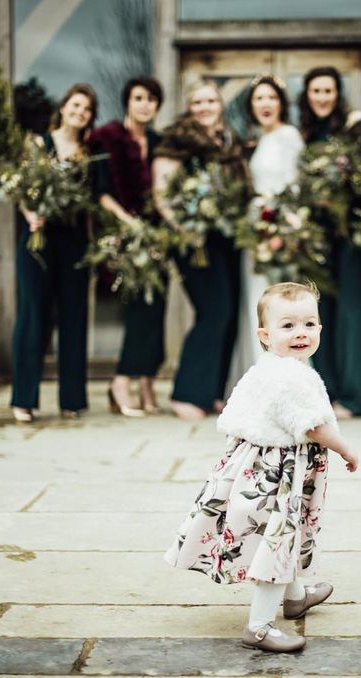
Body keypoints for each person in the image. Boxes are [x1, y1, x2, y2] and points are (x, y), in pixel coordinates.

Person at [165, 282, 359, 653]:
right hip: (277, 474)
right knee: (278, 542)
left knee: (283, 535)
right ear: (265, 335)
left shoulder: (267, 368)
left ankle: (297, 595)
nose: (300, 332)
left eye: (309, 323)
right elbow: (313, 426)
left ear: (320, 328)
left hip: (255, 466)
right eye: (288, 326)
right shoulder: (291, 376)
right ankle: (258, 626)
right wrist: (345, 448)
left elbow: (236, 414)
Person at [153, 81, 249, 419]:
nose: (205, 106)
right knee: (213, 312)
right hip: (193, 239)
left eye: (211, 100)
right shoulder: (176, 140)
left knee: (229, 316)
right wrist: (185, 228)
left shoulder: (229, 140)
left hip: (227, 239)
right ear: (189, 106)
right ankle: (186, 393)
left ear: (221, 104)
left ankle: (210, 393)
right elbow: (163, 193)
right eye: (198, 101)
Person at [10, 83, 98, 423]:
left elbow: (90, 203)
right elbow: (20, 188)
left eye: (87, 109)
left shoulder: (89, 154)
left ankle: (72, 400)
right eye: (76, 105)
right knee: (33, 316)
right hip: (38, 238)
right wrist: (31, 214)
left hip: (74, 240)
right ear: (63, 107)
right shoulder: (37, 143)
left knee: (74, 317)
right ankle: (24, 399)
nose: (80, 112)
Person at [298, 66, 361, 417]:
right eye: (316, 91)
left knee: (354, 312)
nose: (322, 97)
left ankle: (360, 396)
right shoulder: (303, 133)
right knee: (321, 313)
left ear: (338, 94)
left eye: (328, 91)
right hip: (316, 234)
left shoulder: (353, 128)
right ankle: (328, 393)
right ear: (307, 95)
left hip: (352, 233)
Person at [89, 76, 164, 417]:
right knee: (138, 309)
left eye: (151, 99)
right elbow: (100, 190)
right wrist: (128, 222)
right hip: (123, 236)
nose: (145, 104)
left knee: (157, 308)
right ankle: (120, 381)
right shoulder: (107, 137)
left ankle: (147, 380)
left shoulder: (160, 142)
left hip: (159, 239)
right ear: (127, 102)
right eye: (138, 98)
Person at [228, 74, 305, 385]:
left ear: (281, 103)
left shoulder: (290, 136)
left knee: (282, 303)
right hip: (254, 228)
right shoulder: (253, 140)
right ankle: (259, 377)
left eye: (271, 98)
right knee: (256, 300)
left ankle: (288, 379)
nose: (265, 104)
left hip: (280, 227)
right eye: (258, 98)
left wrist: (285, 227)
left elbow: (298, 186)